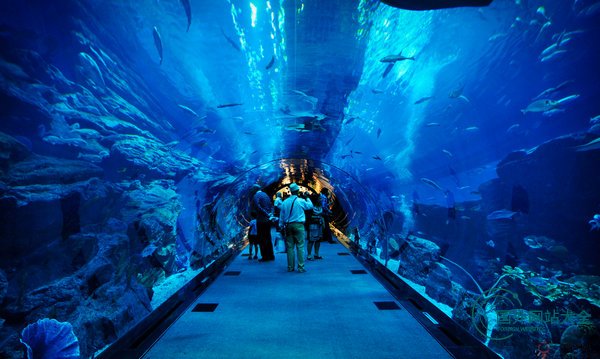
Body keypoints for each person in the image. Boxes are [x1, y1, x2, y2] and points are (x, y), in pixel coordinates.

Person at [279, 183, 313, 273]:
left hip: (288, 226)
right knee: (300, 246)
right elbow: (310, 206)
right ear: (297, 191)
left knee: (290, 247)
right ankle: (301, 267)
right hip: (299, 225)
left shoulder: (284, 202)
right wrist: (307, 197)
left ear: (290, 191)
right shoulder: (300, 201)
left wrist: (281, 226)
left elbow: (281, 216)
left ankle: (290, 267)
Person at [250, 184, 275, 262]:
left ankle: (265, 256)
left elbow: (258, 207)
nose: (252, 191)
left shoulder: (256, 196)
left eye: (252, 189)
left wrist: (266, 214)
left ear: (255, 189)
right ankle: (271, 255)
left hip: (261, 220)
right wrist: (270, 214)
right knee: (268, 237)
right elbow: (271, 205)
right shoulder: (265, 195)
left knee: (262, 238)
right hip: (268, 220)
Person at [307, 194, 324, 260]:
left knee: (318, 240)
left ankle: (316, 254)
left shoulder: (320, 206)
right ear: (316, 200)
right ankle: (309, 255)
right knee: (311, 240)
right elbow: (308, 217)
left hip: (319, 225)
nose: (321, 200)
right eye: (319, 198)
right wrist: (317, 217)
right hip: (313, 225)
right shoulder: (311, 207)